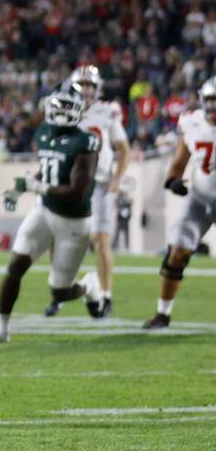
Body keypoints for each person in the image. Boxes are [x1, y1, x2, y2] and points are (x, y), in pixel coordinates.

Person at [0, 82, 102, 343]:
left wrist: (37, 186)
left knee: (59, 292)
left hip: (73, 221)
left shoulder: (86, 142)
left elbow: (78, 192)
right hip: (44, 212)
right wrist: (21, 188)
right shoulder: (44, 132)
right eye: (59, 105)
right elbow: (48, 169)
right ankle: (1, 329)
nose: (61, 112)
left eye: (68, 107)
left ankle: (89, 286)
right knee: (14, 267)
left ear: (80, 110)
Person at [143, 77, 216, 329]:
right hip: (200, 198)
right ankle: (163, 314)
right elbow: (179, 160)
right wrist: (173, 180)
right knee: (177, 253)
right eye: (210, 100)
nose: (214, 106)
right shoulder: (192, 122)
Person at [68, 65, 129, 318]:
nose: (86, 90)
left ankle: (105, 295)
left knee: (101, 241)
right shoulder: (67, 111)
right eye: (82, 85)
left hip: (101, 183)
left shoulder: (107, 111)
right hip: (74, 185)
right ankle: (65, 291)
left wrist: (117, 178)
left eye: (90, 85)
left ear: (98, 87)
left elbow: (123, 149)